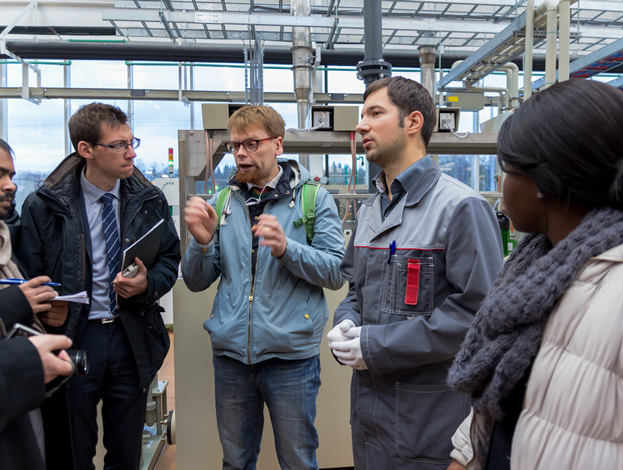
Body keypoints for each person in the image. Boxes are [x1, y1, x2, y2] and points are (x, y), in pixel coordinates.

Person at [447, 79, 623, 470]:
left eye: (507, 170)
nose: (502, 186)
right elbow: (508, 392)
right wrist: (465, 456)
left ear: (543, 182)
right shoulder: (540, 267)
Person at [328, 76, 504, 469]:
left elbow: (478, 317)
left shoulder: (461, 207)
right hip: (369, 418)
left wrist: (374, 346)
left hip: (428, 421)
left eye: (375, 113)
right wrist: (347, 322)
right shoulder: (370, 210)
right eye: (362, 115)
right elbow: (356, 290)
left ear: (413, 122)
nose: (361, 125)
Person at [15, 103, 181, 470]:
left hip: (131, 335)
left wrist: (147, 284)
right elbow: (27, 277)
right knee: (73, 451)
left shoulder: (149, 200)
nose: (131, 153)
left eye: (132, 142)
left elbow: (170, 260)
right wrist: (47, 307)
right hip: (73, 336)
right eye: (119, 145)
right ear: (86, 149)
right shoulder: (44, 206)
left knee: (127, 452)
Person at [181, 105, 346, 470]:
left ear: (278, 145)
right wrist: (201, 243)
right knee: (236, 462)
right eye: (235, 145)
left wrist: (287, 249)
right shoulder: (223, 202)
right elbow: (195, 281)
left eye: (251, 143)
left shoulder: (313, 199)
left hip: (291, 359)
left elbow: (336, 272)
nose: (241, 153)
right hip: (231, 359)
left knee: (297, 461)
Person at [0, 138, 73, 470]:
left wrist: (46, 318)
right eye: (0, 175)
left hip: (24, 406)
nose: (10, 185)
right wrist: (17, 303)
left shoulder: (6, 242)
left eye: (11, 175)